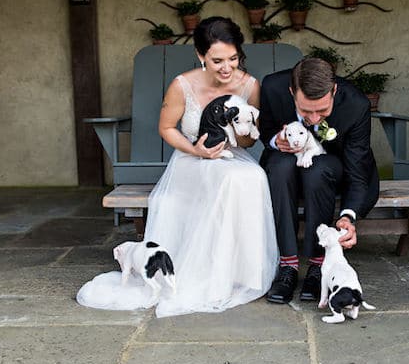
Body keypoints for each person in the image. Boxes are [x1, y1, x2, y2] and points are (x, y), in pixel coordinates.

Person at [77, 17, 278, 316]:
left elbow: (248, 143)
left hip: (231, 157)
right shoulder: (183, 84)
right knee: (233, 180)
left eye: (233, 59)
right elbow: (167, 128)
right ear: (201, 56)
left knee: (252, 176)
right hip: (190, 159)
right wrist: (195, 149)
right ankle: (209, 273)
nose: (227, 68)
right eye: (217, 60)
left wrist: (246, 131)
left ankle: (240, 273)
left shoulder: (249, 85)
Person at [258, 57, 380, 304]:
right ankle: (288, 266)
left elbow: (357, 171)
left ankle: (317, 264)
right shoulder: (272, 87)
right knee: (280, 167)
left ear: (334, 91)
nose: (314, 119)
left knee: (317, 170)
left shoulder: (356, 104)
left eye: (322, 111)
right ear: (292, 92)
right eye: (305, 111)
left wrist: (348, 216)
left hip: (334, 166)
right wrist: (275, 141)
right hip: (288, 163)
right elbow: (267, 129)